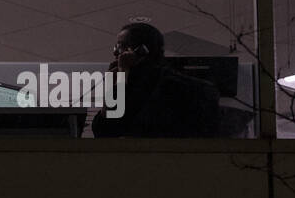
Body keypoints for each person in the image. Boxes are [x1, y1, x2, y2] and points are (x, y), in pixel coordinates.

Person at [91, 23, 219, 138]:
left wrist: (119, 79)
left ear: (141, 51)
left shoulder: (155, 83)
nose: (115, 53)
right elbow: (102, 129)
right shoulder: (151, 78)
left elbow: (108, 129)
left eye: (120, 47)